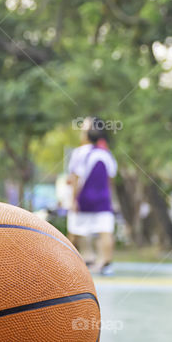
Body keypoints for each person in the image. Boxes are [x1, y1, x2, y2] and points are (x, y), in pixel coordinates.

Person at [67, 117, 118, 275]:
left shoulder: (79, 152)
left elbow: (75, 178)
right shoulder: (106, 154)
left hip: (84, 200)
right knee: (105, 232)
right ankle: (105, 263)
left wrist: (73, 200)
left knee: (75, 232)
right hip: (102, 200)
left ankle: (68, 262)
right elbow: (110, 178)